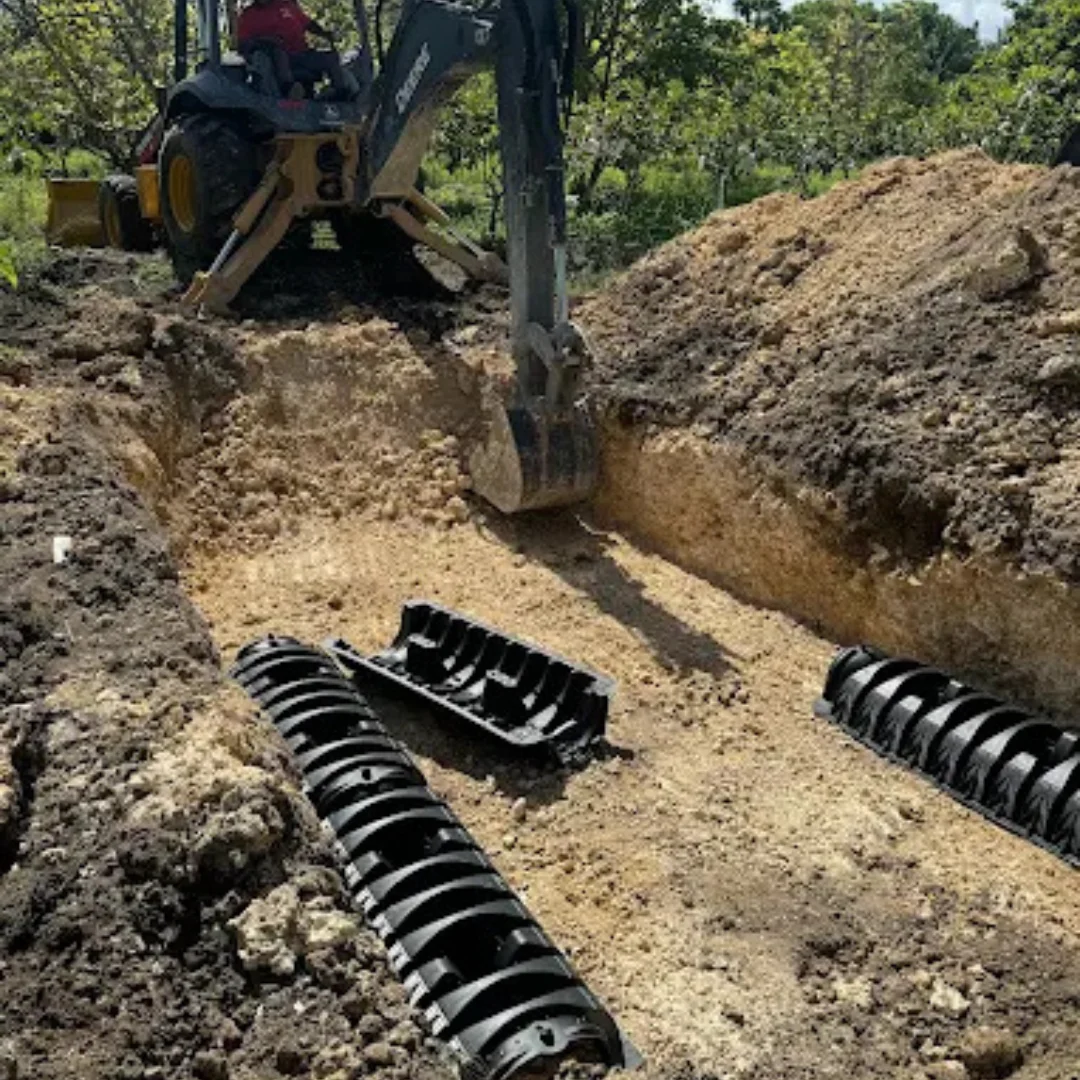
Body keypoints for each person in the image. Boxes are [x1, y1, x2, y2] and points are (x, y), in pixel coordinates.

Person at [237, 0, 353, 99]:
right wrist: (265, 41)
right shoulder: (249, 15)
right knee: (278, 52)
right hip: (275, 57)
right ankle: (288, 89)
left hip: (302, 54)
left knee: (329, 58)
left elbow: (308, 23)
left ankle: (340, 91)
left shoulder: (285, 5)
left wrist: (325, 33)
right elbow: (243, 44)